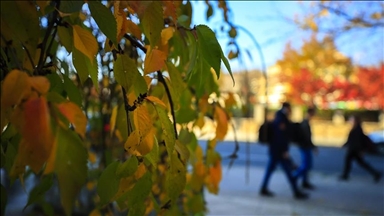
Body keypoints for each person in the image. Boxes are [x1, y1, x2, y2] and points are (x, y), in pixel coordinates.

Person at [259, 102, 309, 199]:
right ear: (286, 108)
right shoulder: (281, 120)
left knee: (271, 170)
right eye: (290, 108)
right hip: (279, 151)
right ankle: (296, 191)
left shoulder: (279, 118)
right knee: (288, 171)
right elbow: (280, 137)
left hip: (275, 150)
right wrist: (284, 151)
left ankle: (264, 188)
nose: (291, 111)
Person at [339, 115, 382, 182]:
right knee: (359, 163)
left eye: (351, 120)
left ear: (355, 121)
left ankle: (345, 175)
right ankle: (376, 174)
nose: (350, 121)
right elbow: (351, 140)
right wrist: (345, 144)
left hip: (355, 150)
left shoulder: (357, 129)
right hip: (353, 149)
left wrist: (360, 151)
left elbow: (358, 141)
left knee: (353, 162)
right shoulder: (355, 128)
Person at [293, 107, 318, 190]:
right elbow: (307, 137)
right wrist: (313, 147)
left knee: (306, 164)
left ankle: (304, 181)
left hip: (305, 146)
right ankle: (295, 177)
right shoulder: (305, 123)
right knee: (306, 164)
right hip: (305, 146)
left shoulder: (305, 122)